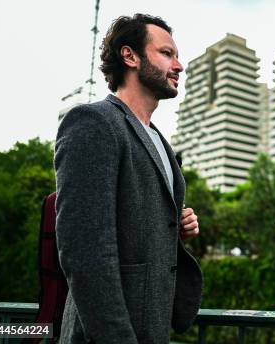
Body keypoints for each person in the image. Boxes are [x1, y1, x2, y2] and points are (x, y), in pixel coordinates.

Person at [54, 14, 202, 344]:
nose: (179, 65)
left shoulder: (160, 141)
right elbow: (85, 253)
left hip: (152, 327)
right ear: (130, 56)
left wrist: (175, 228)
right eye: (167, 53)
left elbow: (138, 226)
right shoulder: (93, 123)